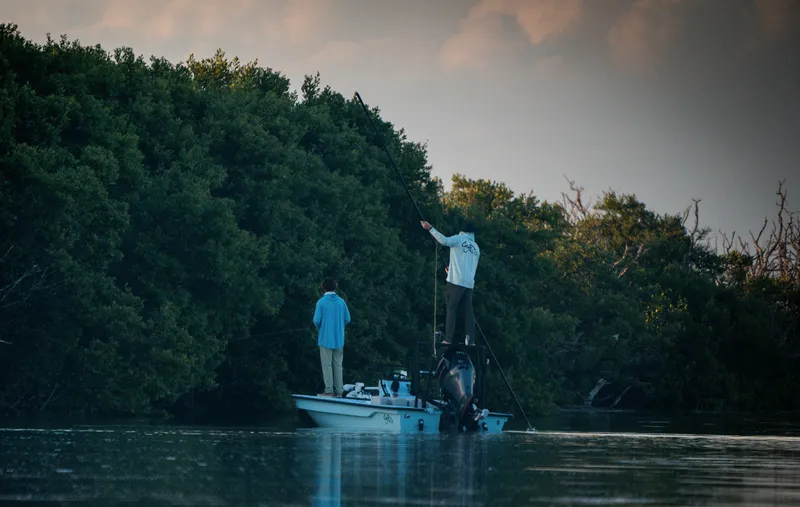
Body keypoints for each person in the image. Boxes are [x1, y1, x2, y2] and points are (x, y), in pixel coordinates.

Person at [420, 220, 480, 346]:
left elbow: (444, 241)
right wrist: (451, 271)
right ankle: (470, 341)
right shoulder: (476, 248)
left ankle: (448, 339)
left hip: (456, 282)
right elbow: (468, 266)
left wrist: (430, 228)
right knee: (468, 312)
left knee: (451, 309)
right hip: (469, 284)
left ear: (462, 231)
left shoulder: (459, 239)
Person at [312, 278, 351, 397]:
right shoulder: (341, 302)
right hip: (339, 339)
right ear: (335, 287)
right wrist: (340, 328)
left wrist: (321, 330)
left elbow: (316, 320)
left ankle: (329, 391)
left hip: (325, 338)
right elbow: (347, 319)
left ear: (323, 287)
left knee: (327, 365)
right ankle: (339, 391)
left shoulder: (321, 302)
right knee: (338, 364)